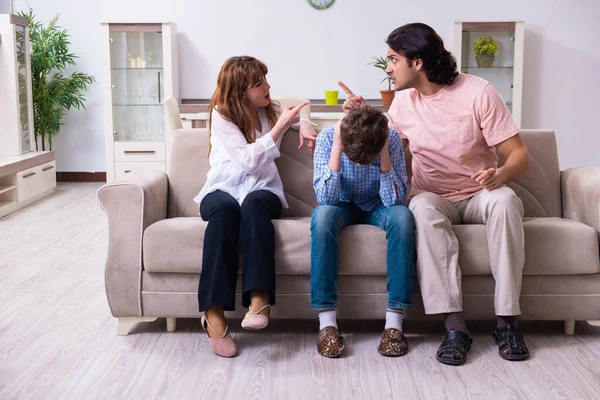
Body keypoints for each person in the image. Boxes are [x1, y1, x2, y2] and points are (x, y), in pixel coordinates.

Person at [342, 22, 531, 365]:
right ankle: (454, 326)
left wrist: (499, 174)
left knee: (505, 201)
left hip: (479, 192)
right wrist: (361, 117)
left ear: (416, 62)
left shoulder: (479, 92)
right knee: (423, 210)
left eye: (392, 59)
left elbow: (520, 155)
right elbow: (380, 152)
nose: (388, 68)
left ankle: (507, 322)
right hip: (432, 194)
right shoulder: (401, 104)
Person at [194, 56, 317, 357]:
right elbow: (248, 161)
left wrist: (306, 124)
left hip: (263, 191)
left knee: (253, 206)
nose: (268, 86)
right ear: (239, 91)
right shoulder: (222, 116)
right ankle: (213, 315)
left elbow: (301, 118)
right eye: (259, 82)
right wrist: (281, 128)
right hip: (221, 188)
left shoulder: (269, 109)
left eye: (265, 79)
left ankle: (260, 298)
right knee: (224, 213)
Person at [311, 105, 415, 358]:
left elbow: (393, 200)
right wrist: (337, 146)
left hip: (378, 203)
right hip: (342, 203)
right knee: (322, 216)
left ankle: (394, 324)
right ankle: (327, 323)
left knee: (403, 217)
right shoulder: (327, 138)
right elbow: (326, 198)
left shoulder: (388, 139)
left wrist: (383, 154)